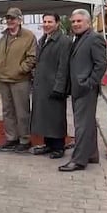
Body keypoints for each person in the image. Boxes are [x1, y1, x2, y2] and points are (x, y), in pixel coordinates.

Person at [59, 9, 107, 172]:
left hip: (86, 89)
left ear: (88, 22)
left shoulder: (94, 38)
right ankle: (92, 154)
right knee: (88, 124)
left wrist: (89, 83)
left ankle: (78, 160)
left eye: (79, 21)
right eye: (73, 21)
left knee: (81, 126)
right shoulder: (79, 39)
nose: (75, 24)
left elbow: (101, 64)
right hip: (78, 88)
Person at [0, 7, 37, 152]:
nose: (10, 21)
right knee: (7, 111)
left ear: (19, 20)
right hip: (4, 79)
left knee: (22, 111)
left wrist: (20, 70)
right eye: (8, 18)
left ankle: (24, 139)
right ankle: (12, 138)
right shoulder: (3, 36)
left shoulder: (28, 36)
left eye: (13, 18)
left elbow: (32, 58)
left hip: (20, 80)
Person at [30, 13, 70, 159]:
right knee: (45, 116)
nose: (47, 24)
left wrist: (60, 87)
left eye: (50, 22)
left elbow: (63, 66)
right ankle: (48, 144)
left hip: (54, 85)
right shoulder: (42, 40)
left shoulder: (63, 41)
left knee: (56, 117)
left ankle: (59, 147)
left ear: (57, 23)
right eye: (45, 21)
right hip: (42, 85)